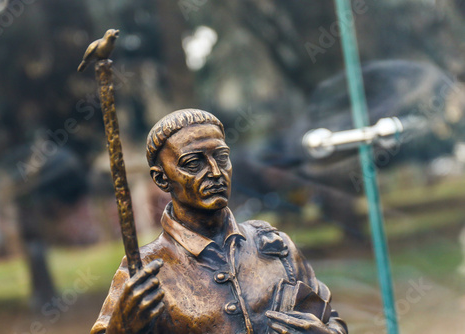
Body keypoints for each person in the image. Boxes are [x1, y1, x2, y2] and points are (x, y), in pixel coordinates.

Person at [91, 109, 348, 334]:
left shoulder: (273, 245)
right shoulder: (145, 269)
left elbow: (332, 320)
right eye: (193, 163)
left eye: (222, 157)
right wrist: (121, 328)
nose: (215, 172)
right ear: (161, 179)